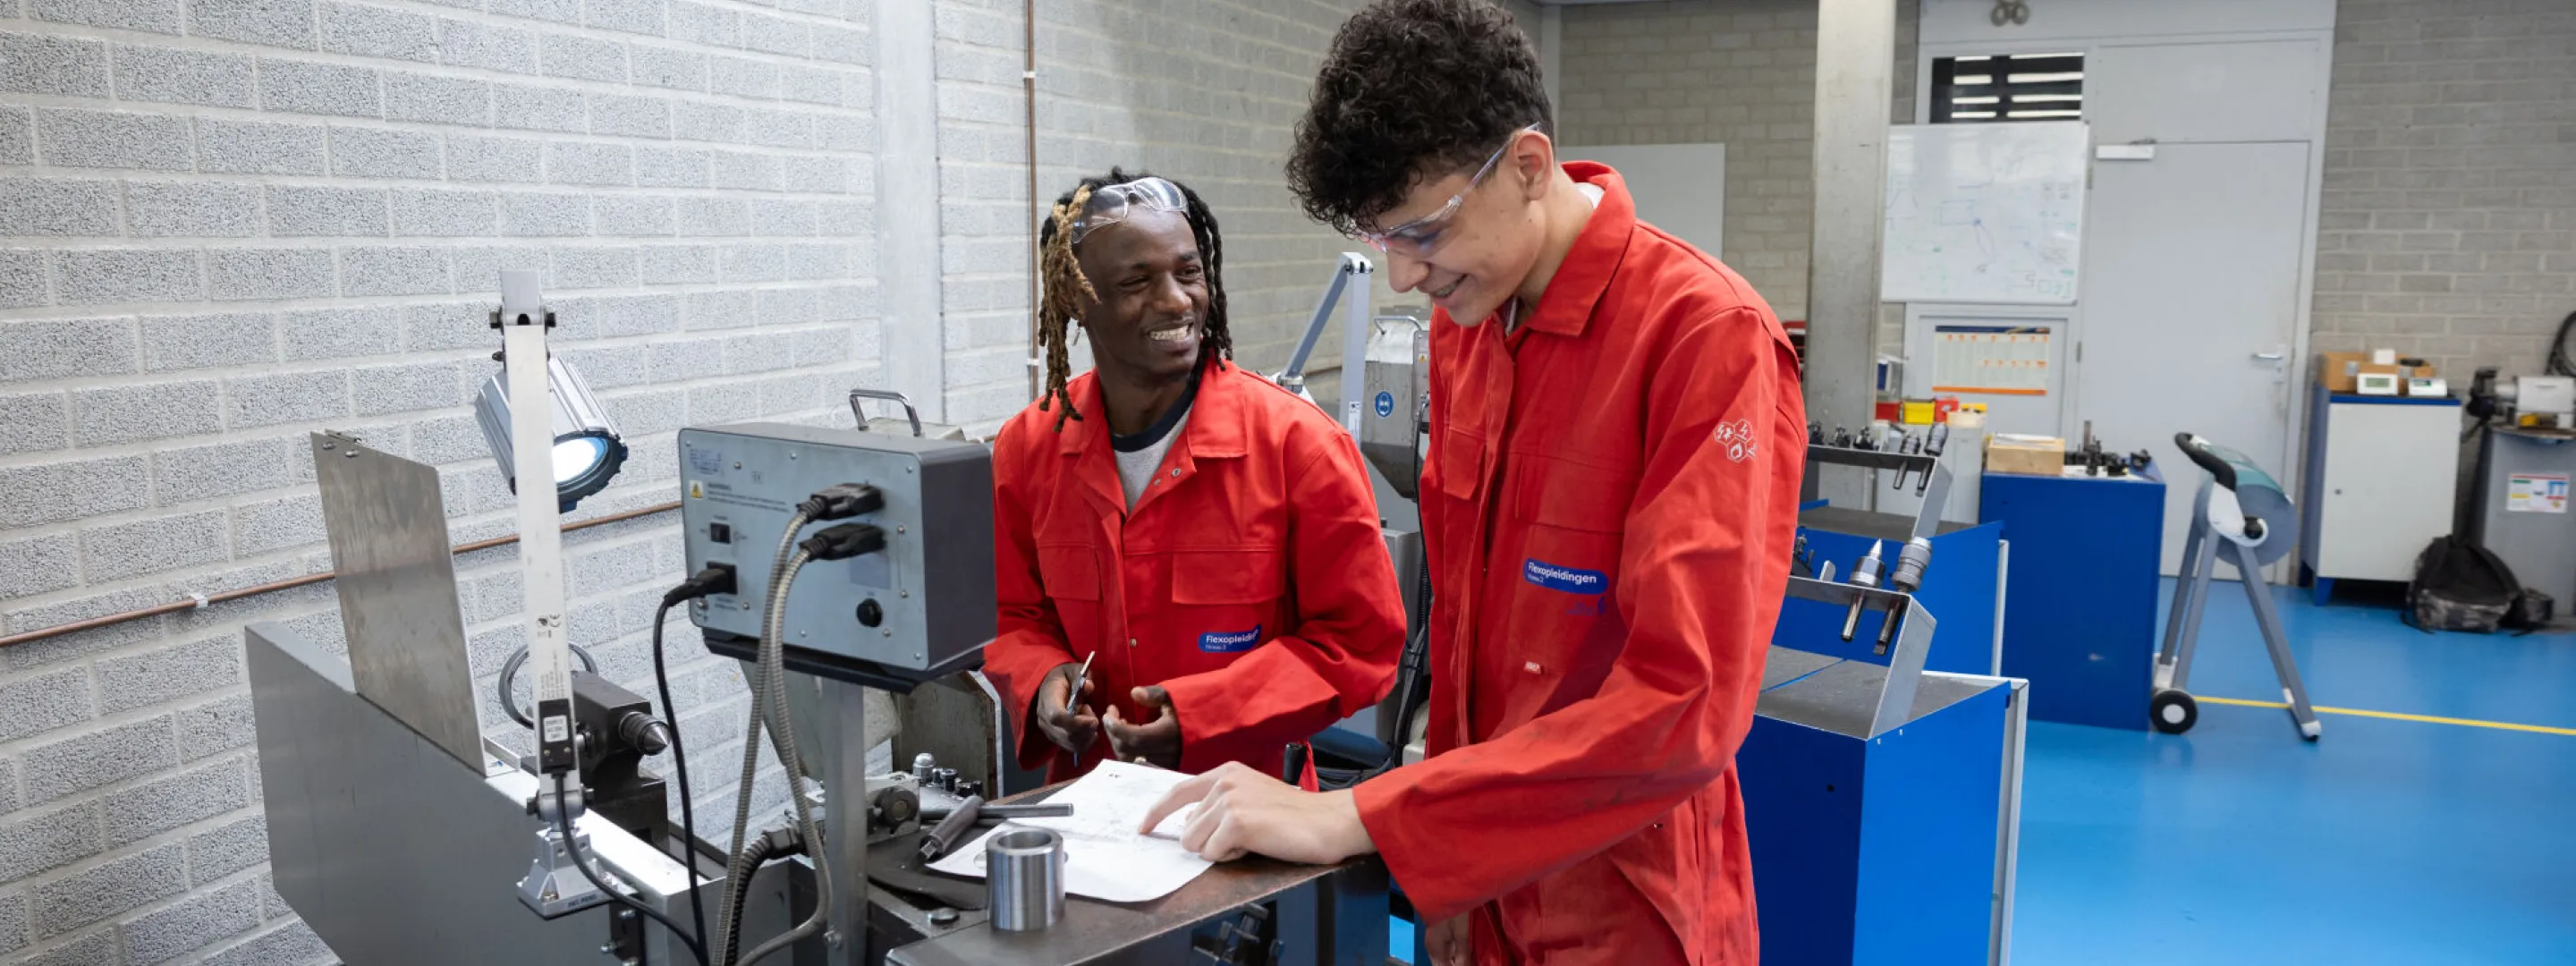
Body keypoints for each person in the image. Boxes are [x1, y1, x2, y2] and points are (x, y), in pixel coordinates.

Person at [1138, 2, 1807, 963]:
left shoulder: (1704, 340)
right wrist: (1445, 865)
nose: (1404, 277)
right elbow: (1459, 633)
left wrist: (1364, 816)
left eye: (1422, 231)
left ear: (1529, 167)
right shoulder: (1469, 325)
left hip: (1629, 892)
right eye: (1382, 239)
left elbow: (1683, 710)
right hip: (1483, 878)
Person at [982, 169, 1406, 784]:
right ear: (1077, 299)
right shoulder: (1028, 449)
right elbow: (1012, 615)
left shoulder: (1299, 447)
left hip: (1253, 818)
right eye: (1136, 281)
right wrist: (1042, 676)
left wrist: (1206, 715)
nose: (1178, 301)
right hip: (1092, 811)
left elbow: (1360, 646)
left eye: (1188, 272)